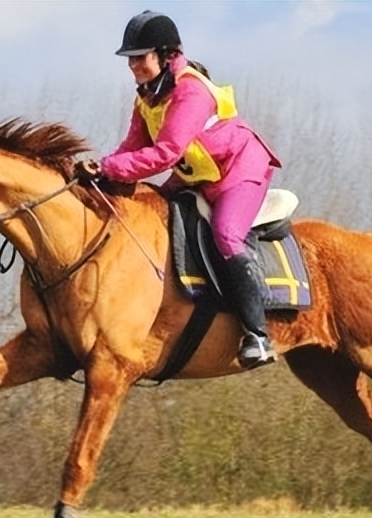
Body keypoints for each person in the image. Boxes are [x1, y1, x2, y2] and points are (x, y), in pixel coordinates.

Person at [76, 10, 282, 369]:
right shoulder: (147, 98)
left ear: (165, 55)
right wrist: (101, 170)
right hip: (198, 177)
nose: (132, 65)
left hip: (239, 171)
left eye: (139, 57)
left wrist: (110, 167)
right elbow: (132, 147)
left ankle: (258, 335)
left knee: (226, 233)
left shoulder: (191, 92)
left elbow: (166, 153)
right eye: (129, 59)